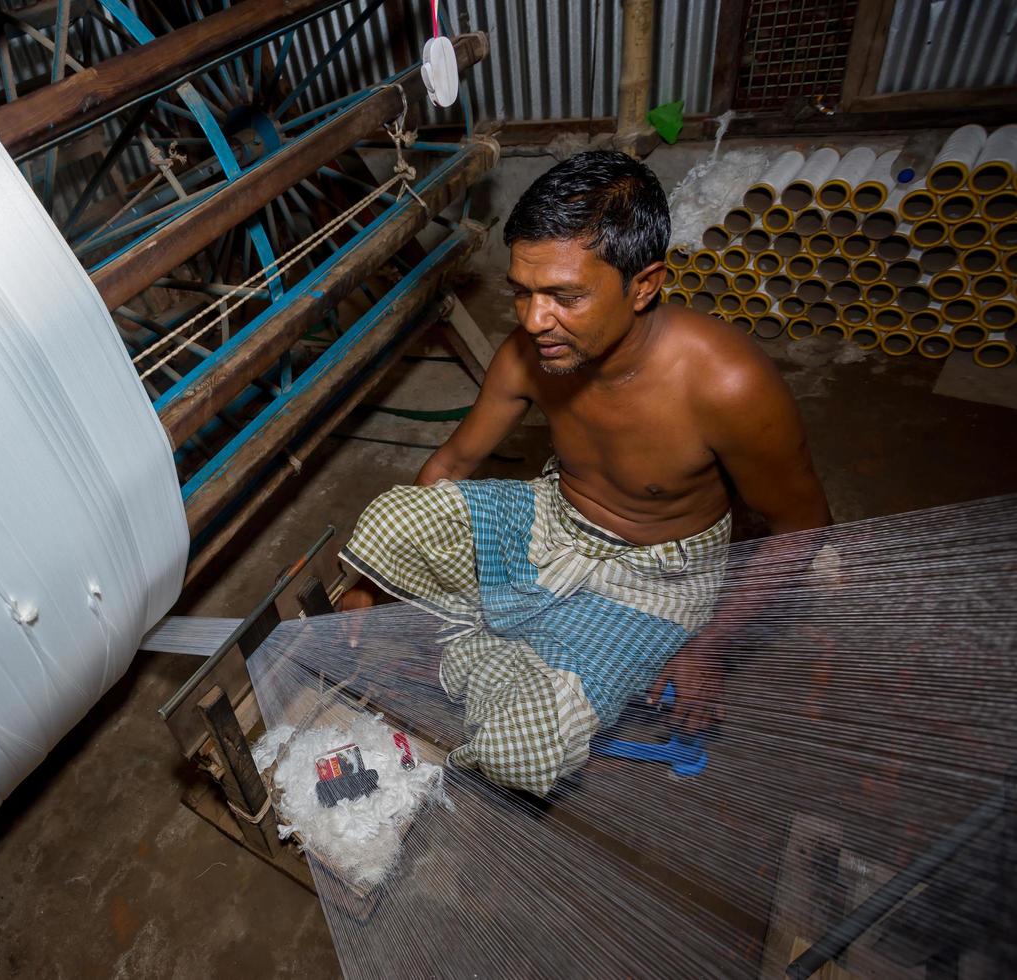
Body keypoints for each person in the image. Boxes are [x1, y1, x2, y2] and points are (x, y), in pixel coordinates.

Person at [338, 150, 831, 795]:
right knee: (389, 520)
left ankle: (488, 653)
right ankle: (512, 653)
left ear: (644, 284)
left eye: (564, 296)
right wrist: (372, 588)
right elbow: (454, 463)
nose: (533, 319)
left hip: (657, 579)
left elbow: (804, 524)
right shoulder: (529, 355)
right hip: (555, 522)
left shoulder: (727, 385)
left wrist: (708, 647)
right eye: (522, 291)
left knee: (525, 754)